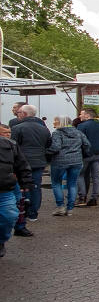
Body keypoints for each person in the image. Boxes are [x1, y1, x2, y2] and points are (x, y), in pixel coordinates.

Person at [10, 104, 51, 229]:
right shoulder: (44, 129)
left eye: (19, 113)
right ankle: (34, 213)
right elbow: (48, 144)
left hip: (22, 162)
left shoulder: (17, 128)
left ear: (24, 114)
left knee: (23, 186)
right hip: (39, 161)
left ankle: (24, 211)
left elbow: (14, 146)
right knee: (36, 186)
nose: (18, 115)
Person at [47, 116, 91, 216]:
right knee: (72, 184)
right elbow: (87, 144)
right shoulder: (78, 132)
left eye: (55, 121)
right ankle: (70, 208)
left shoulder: (57, 133)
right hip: (76, 161)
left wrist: (47, 152)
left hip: (60, 161)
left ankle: (60, 207)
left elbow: (56, 147)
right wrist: (82, 154)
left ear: (61, 122)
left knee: (56, 183)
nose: (53, 122)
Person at [0, 123, 32, 259]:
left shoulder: (10, 145)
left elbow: (22, 164)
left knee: (9, 216)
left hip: (5, 190)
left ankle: (1, 241)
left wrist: (25, 182)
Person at [76, 108, 99, 207]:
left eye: (81, 114)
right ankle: (94, 199)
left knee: (80, 175)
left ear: (87, 115)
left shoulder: (81, 126)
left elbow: (78, 141)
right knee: (96, 177)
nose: (79, 116)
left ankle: (82, 198)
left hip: (85, 155)